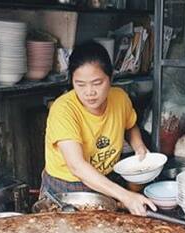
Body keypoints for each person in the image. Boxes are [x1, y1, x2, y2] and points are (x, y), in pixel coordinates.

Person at [42, 41, 156, 215]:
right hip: (66, 187)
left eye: (97, 83)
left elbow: (130, 125)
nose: (89, 92)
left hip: (104, 180)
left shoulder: (120, 98)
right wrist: (125, 196)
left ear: (110, 79)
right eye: (80, 84)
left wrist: (140, 148)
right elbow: (77, 166)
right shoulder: (63, 109)